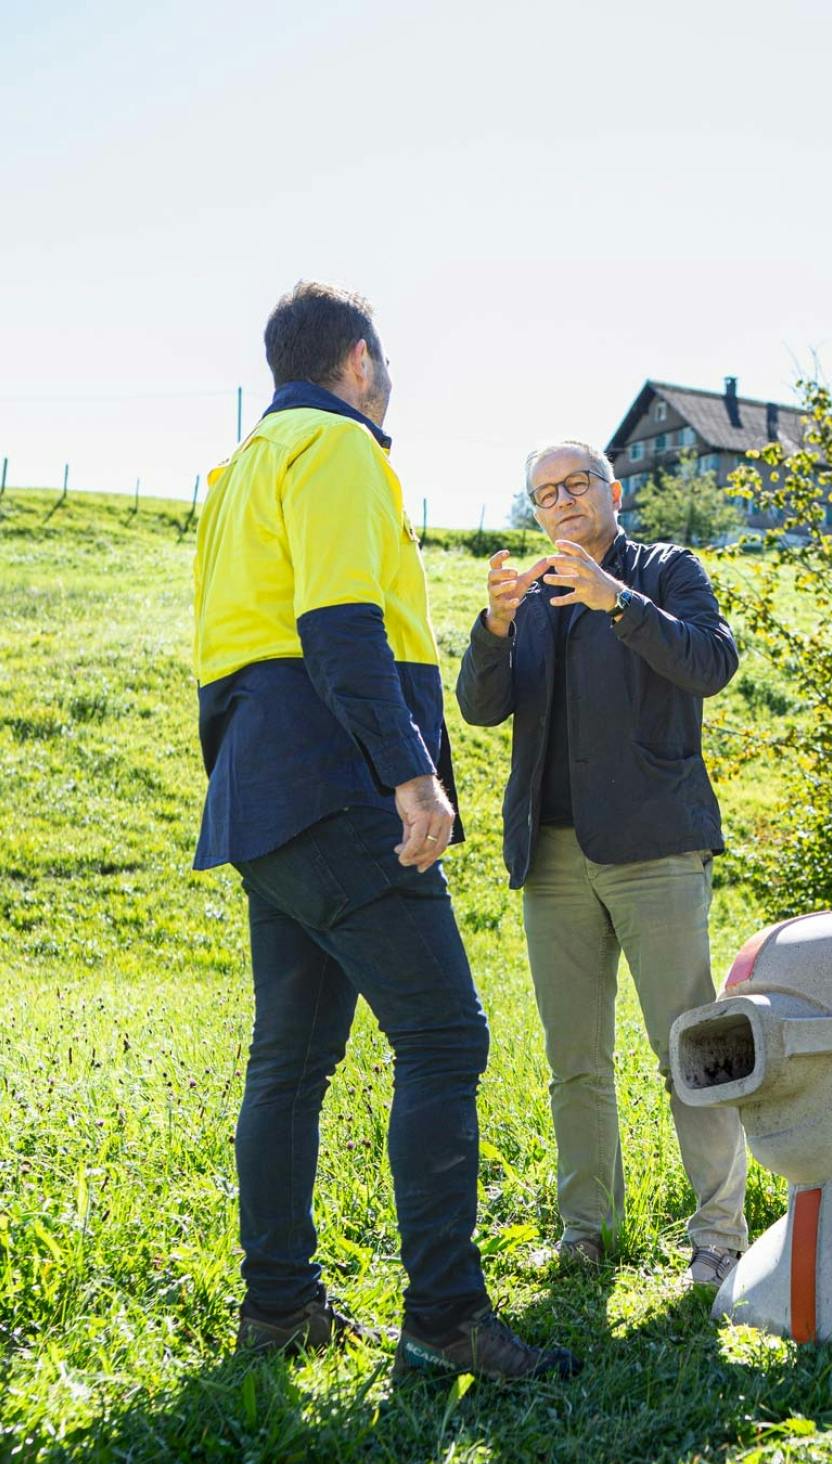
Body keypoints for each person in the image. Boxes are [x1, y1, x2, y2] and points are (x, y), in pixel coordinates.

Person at [191, 281, 577, 1381]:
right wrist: (410, 777)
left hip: (263, 795)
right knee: (445, 1037)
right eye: (385, 358)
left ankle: (277, 1309)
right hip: (337, 788)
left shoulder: (234, 474)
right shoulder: (342, 448)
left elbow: (225, 658)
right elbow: (340, 625)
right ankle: (447, 1318)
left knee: (291, 1062)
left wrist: (249, 791)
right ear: (358, 360)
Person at [456, 440, 749, 1287]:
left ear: (613, 492)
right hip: (551, 859)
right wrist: (496, 628)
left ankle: (719, 1235)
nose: (560, 501)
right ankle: (586, 1232)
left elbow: (711, 662)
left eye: (575, 484)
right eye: (543, 492)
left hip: (655, 847)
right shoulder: (533, 597)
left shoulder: (665, 569)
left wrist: (616, 599)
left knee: (688, 1046)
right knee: (574, 1058)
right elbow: (480, 708)